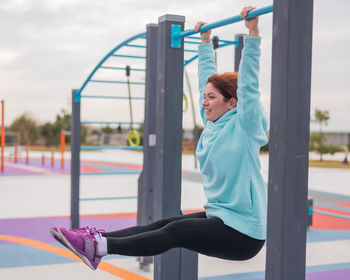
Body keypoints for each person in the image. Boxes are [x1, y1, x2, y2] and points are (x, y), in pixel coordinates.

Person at [49, 6, 268, 271]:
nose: (204, 102)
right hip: (222, 219)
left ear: (232, 103)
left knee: (176, 231)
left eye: (212, 98)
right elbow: (205, 83)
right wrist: (205, 42)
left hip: (244, 233)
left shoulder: (244, 126)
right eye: (205, 97)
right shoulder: (213, 124)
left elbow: (249, 86)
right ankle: (95, 241)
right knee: (165, 223)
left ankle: (101, 247)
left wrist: (253, 33)